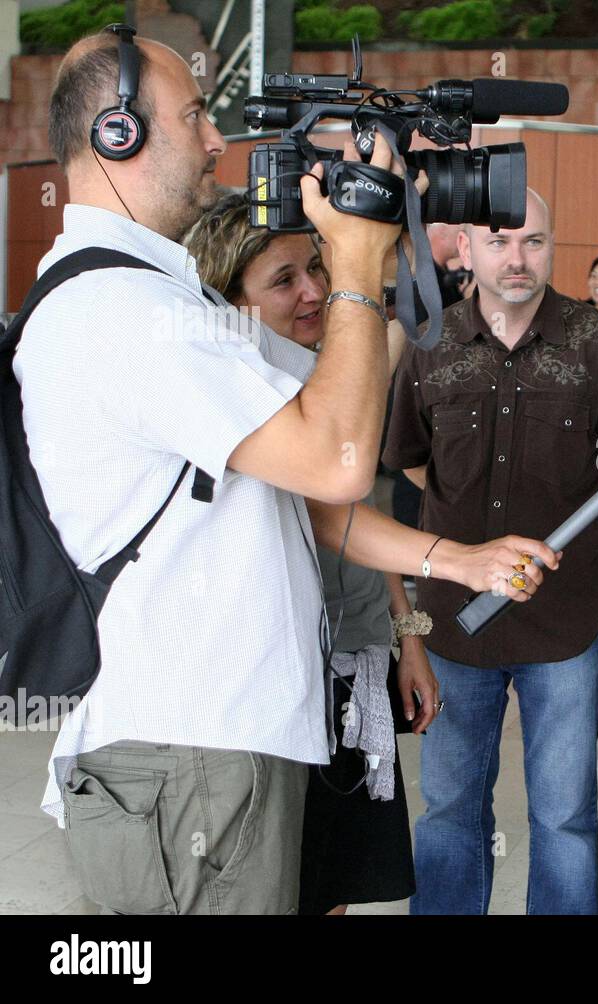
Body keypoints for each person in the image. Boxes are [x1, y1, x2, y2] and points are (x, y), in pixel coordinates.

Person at [15, 27, 552, 915]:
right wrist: (353, 262)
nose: (218, 142)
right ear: (119, 133)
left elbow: (326, 426)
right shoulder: (125, 313)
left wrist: (454, 561)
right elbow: (340, 459)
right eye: (193, 116)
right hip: (185, 756)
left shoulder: (156, 301)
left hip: (210, 749)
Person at [384, 189, 598, 915]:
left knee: (564, 816)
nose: (517, 257)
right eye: (500, 241)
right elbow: (412, 460)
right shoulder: (429, 344)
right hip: (451, 623)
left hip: (564, 624)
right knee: (448, 810)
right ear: (465, 250)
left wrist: (575, 533)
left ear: (552, 246)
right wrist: (461, 530)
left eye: (534, 242)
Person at [185, 191, 436, 915]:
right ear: (230, 302)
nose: (315, 292)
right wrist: (456, 559)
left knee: (338, 878)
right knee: (279, 881)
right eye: (285, 280)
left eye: (317, 270)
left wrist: (407, 638)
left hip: (355, 664)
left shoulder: (331, 376)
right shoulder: (228, 402)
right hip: (271, 681)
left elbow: (358, 516)